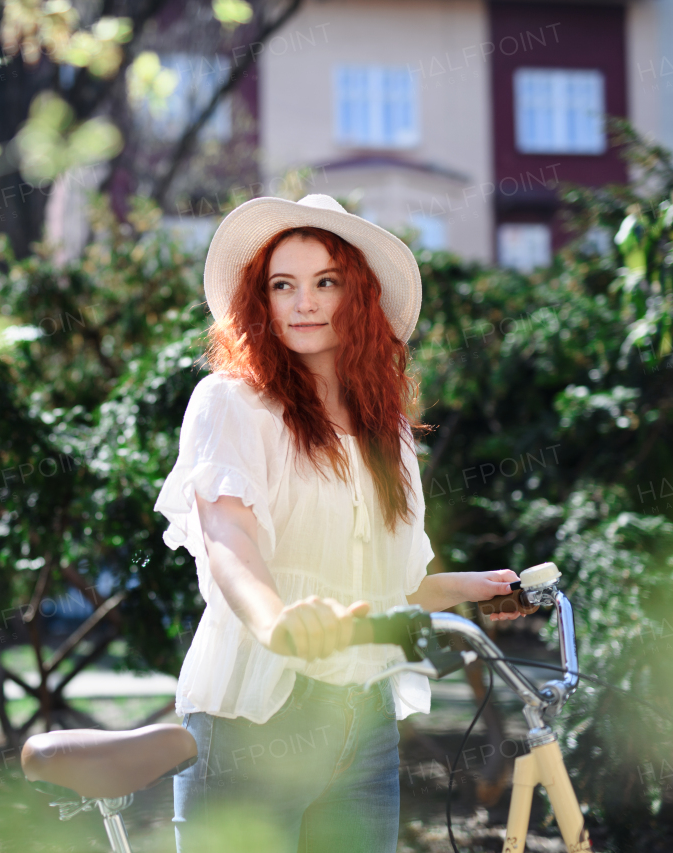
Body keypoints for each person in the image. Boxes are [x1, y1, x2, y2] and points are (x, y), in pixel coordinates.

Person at [153, 195, 523, 853]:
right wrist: (278, 621)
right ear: (258, 302)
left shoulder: (389, 438)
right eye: (283, 285)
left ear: (359, 298)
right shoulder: (233, 404)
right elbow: (228, 541)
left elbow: (391, 590)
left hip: (365, 723)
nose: (305, 302)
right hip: (255, 715)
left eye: (327, 282)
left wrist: (477, 588)